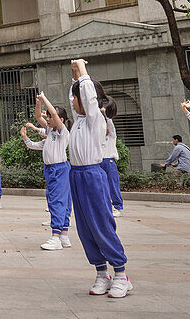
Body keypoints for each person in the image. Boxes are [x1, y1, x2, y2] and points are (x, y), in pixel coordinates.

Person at [69, 59, 131, 298]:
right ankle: (101, 273)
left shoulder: (96, 119)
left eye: (76, 98)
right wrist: (75, 74)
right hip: (76, 176)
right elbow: (77, 94)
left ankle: (121, 274)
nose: (73, 102)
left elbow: (88, 97)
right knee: (85, 229)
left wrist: (83, 72)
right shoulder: (79, 121)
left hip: (93, 176)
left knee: (102, 225)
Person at [22, 91, 71, 251]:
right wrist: (38, 102)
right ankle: (63, 235)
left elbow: (54, 117)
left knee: (57, 201)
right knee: (57, 201)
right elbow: (38, 117)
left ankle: (56, 237)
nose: (47, 119)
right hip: (51, 170)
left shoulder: (63, 132)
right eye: (48, 117)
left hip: (59, 169)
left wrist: (45, 98)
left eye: (50, 117)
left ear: (60, 119)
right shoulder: (50, 132)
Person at [101, 102, 123, 218]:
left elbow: (111, 125)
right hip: (99, 163)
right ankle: (105, 207)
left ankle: (117, 207)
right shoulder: (99, 138)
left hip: (109, 162)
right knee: (101, 186)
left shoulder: (112, 136)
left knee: (113, 185)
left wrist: (105, 114)